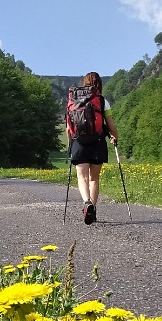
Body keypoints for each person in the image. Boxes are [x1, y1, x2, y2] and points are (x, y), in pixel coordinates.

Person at [66, 71, 119, 225]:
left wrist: (71, 144)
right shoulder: (102, 101)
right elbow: (110, 125)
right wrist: (115, 137)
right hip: (97, 142)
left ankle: (86, 202)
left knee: (81, 177)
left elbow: (69, 126)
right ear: (99, 84)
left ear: (84, 83)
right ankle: (93, 210)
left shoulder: (73, 99)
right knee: (94, 178)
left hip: (78, 143)